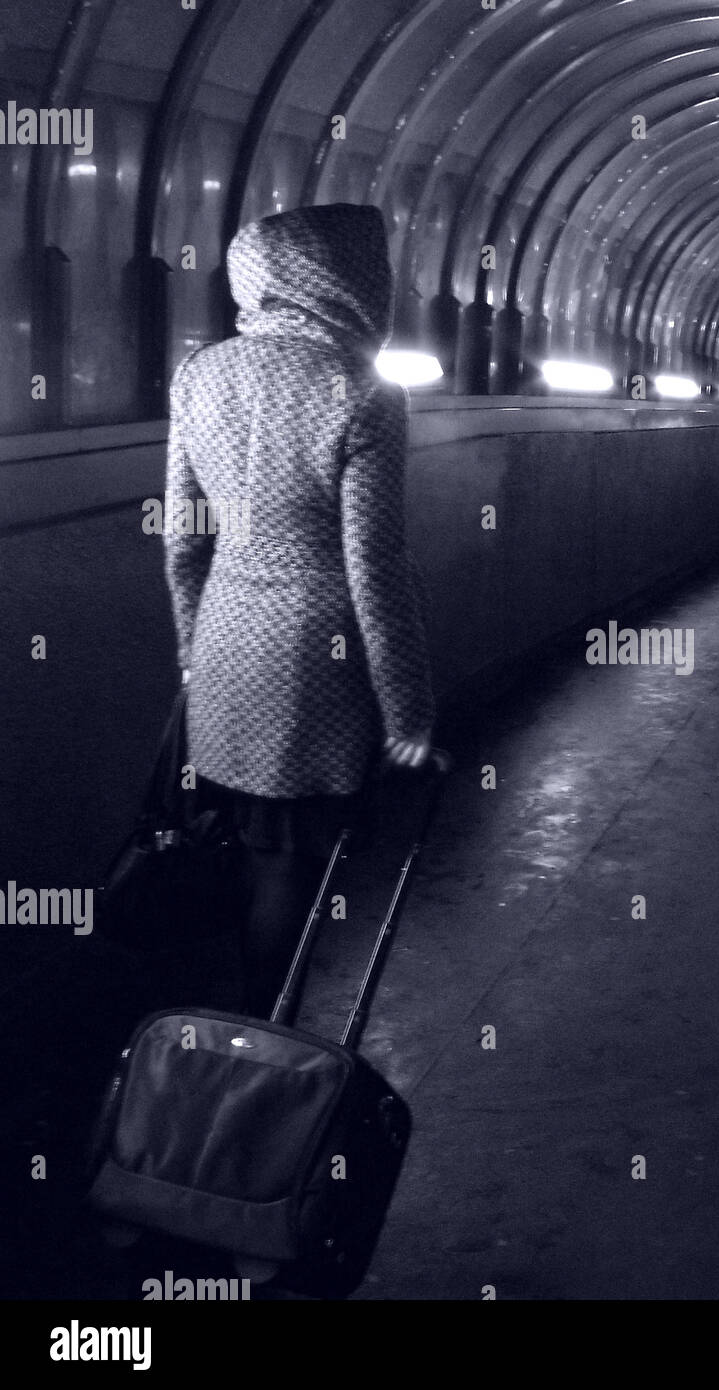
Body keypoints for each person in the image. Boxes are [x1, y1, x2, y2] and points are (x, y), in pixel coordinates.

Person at [163, 202, 435, 1018]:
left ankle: (218, 1049)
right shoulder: (362, 390)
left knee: (241, 850)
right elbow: (374, 569)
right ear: (354, 280)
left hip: (220, 647)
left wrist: (190, 654)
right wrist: (409, 718)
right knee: (296, 869)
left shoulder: (200, 375)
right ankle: (267, 1043)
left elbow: (182, 544)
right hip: (317, 666)